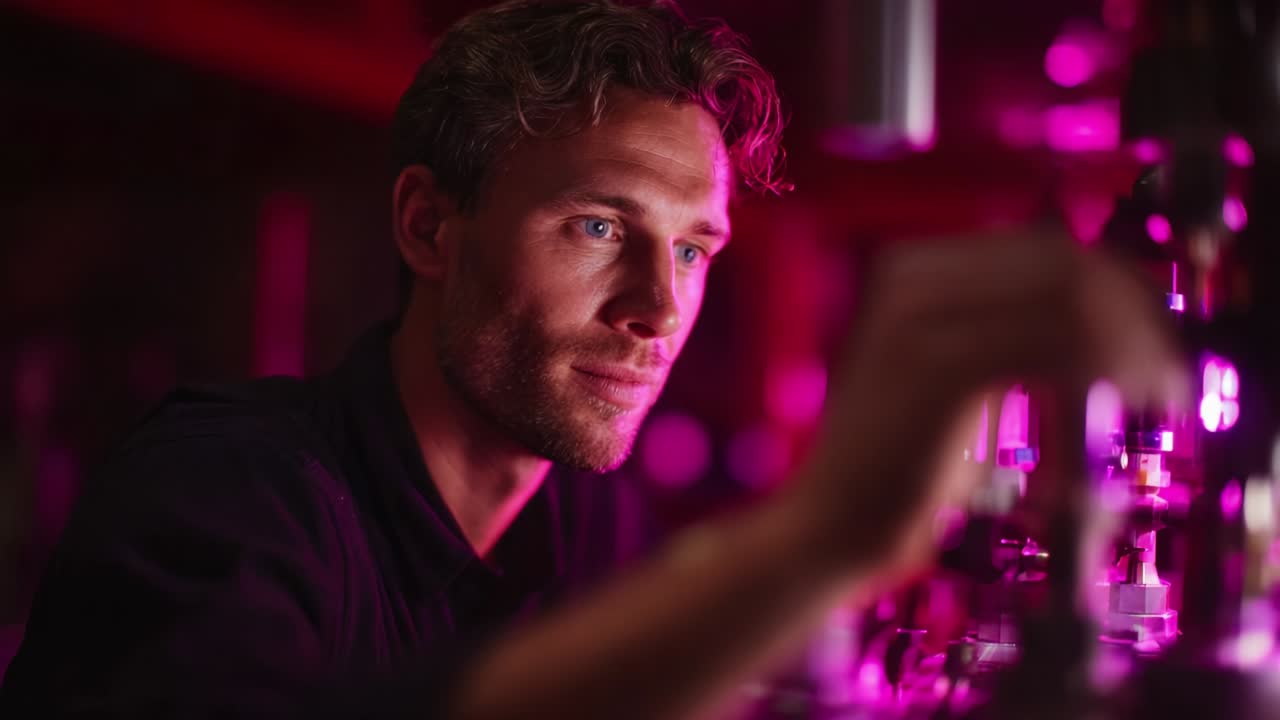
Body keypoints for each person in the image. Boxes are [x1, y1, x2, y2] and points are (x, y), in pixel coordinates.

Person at [0, 1, 1186, 718]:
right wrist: (816, 540)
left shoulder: (583, 522)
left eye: (694, 249)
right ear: (427, 225)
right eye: (598, 228)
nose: (657, 308)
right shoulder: (224, 489)